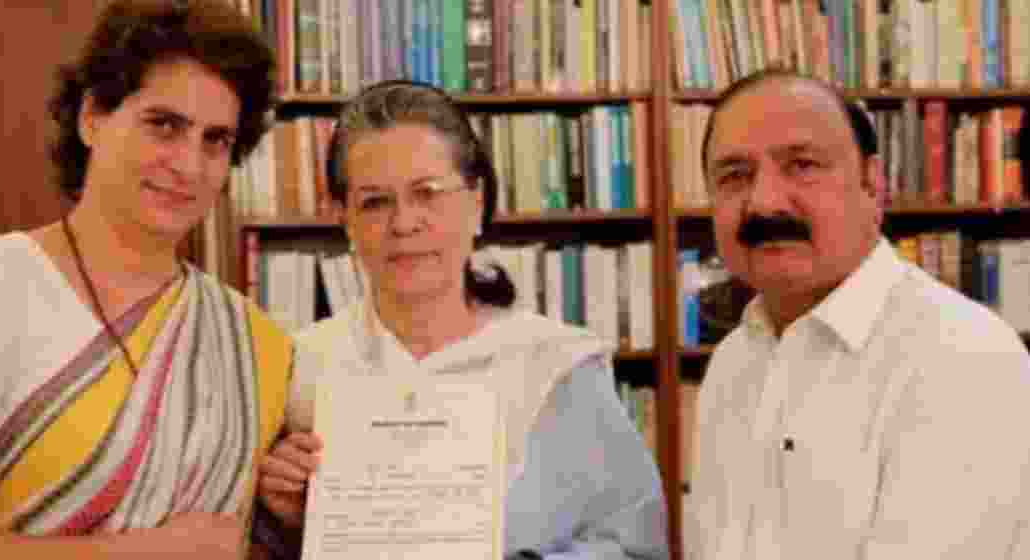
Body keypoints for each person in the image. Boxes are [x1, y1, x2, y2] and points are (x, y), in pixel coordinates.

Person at [255, 81, 670, 560]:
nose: (404, 223)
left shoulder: (557, 367)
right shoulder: (302, 367)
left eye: (427, 192)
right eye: (374, 202)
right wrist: (287, 519)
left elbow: (636, 548)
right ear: (343, 220)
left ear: (476, 203)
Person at [0, 1, 290, 558]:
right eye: (164, 125)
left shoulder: (257, 342)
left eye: (215, 140)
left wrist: (290, 510)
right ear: (92, 117)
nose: (189, 165)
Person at [687, 68, 1030, 559]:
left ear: (872, 184)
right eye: (734, 175)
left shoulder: (962, 357)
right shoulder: (732, 365)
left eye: (801, 165)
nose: (764, 201)